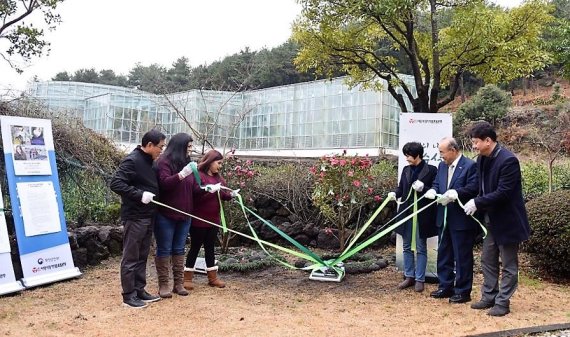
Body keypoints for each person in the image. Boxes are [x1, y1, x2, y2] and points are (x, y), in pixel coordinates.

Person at [465, 121, 530, 317]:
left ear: (488, 140)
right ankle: (489, 296)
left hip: (507, 220)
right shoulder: (482, 159)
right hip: (489, 219)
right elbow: (479, 186)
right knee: (487, 259)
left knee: (509, 264)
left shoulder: (508, 160)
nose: (474, 146)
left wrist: (478, 202)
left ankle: (503, 302)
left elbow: (504, 192)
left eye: (476, 142)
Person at [110, 129, 166, 309]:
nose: (161, 151)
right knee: (131, 256)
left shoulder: (150, 161)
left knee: (142, 255)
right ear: (149, 145)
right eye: (160, 147)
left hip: (149, 215)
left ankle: (139, 289)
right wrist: (139, 195)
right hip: (135, 216)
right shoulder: (132, 160)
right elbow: (116, 183)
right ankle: (128, 295)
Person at [424, 137, 479, 304]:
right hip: (443, 216)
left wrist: (457, 193)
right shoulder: (441, 166)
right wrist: (433, 191)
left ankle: (462, 290)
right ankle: (445, 285)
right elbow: (436, 183)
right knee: (444, 252)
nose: (441, 156)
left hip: (460, 219)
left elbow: (473, 187)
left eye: (442, 152)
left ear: (453, 150)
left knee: (462, 256)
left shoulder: (470, 165)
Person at [184, 150, 238, 289]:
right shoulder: (198, 176)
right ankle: (187, 277)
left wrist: (232, 194)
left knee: (210, 248)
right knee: (195, 248)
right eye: (218, 163)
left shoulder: (218, 178)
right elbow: (194, 194)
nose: (220, 166)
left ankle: (212, 277)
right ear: (210, 161)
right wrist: (207, 190)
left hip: (213, 220)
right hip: (198, 220)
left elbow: (223, 195)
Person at [388, 141, 437, 293]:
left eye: (409, 155)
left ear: (417, 155)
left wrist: (425, 189)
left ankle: (420, 279)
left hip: (422, 214)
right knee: (407, 246)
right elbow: (401, 188)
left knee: (421, 247)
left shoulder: (431, 170)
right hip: (406, 213)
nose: (407, 158)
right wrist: (395, 193)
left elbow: (436, 190)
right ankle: (409, 276)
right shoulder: (406, 170)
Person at [154, 133, 196, 298]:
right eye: (189, 146)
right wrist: (180, 175)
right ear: (180, 146)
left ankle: (178, 283)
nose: (191, 149)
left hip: (185, 214)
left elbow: (191, 188)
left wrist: (208, 189)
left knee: (179, 248)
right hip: (166, 214)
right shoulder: (164, 162)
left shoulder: (188, 163)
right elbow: (164, 184)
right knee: (164, 248)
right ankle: (164, 284)